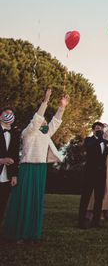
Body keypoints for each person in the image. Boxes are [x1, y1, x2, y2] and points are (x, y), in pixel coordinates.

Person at [3, 89, 69, 242]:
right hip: (28, 168)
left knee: (35, 201)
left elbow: (56, 122)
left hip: (41, 169)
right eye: (42, 119)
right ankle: (18, 233)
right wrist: (45, 101)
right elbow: (37, 119)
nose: (44, 121)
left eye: (45, 120)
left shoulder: (46, 133)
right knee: (24, 199)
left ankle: (31, 233)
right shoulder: (28, 132)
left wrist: (62, 107)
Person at [78, 122, 108, 229]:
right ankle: (81, 221)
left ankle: (96, 222)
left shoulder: (106, 142)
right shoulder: (89, 140)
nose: (99, 130)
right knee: (86, 197)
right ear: (93, 130)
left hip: (101, 173)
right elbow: (90, 148)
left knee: (99, 198)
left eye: (101, 128)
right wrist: (100, 138)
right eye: (97, 128)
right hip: (90, 173)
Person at [85, 123, 108, 221]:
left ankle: (107, 208)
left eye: (106, 128)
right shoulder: (95, 139)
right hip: (99, 165)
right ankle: (95, 211)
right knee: (98, 189)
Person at [0, 108, 20, 224]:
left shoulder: (15, 134)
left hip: (7, 176)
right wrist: (1, 160)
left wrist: (14, 175)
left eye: (12, 113)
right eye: (6, 113)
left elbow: (15, 155)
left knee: (2, 205)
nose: (9, 115)